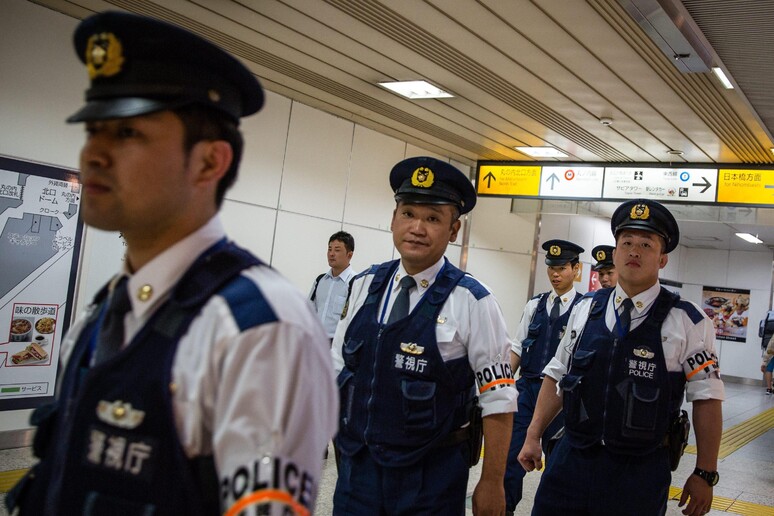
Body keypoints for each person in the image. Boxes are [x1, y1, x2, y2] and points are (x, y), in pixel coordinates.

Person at [7, 12, 338, 516]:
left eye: (127, 134)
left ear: (209, 162)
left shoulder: (258, 328)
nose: (93, 153)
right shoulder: (107, 311)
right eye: (93, 130)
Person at [331, 156, 517, 515]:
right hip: (358, 471)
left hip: (431, 478)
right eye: (409, 213)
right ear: (393, 219)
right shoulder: (364, 285)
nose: (417, 227)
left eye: (433, 218)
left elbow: (499, 400)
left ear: (454, 231)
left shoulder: (473, 301)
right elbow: (336, 369)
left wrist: (492, 481)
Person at [519, 199, 724, 516]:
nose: (634, 251)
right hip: (571, 459)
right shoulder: (586, 309)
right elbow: (557, 374)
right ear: (615, 253)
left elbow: (707, 399)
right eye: (626, 242)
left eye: (646, 243)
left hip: (638, 471)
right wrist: (533, 435)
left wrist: (705, 473)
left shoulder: (687, 320)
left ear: (663, 258)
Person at [504, 239, 584, 515]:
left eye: (562, 268)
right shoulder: (535, 305)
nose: (555, 274)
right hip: (526, 393)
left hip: (562, 400)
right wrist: (501, 391)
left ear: (576, 270)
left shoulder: (585, 310)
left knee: (559, 474)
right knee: (509, 464)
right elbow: (516, 348)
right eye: (551, 268)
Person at [310, 231, 356, 341]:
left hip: (337, 345)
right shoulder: (320, 280)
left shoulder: (355, 283)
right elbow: (310, 311)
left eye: (337, 250)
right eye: (329, 249)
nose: (331, 254)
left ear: (349, 255)